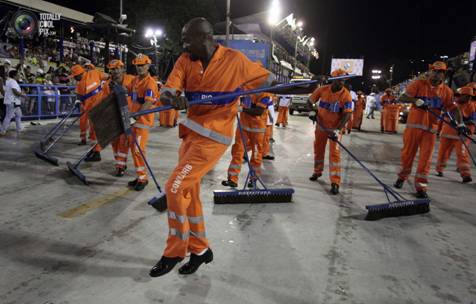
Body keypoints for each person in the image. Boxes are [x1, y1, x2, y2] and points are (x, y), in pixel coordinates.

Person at [150, 17, 275, 277]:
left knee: (174, 187)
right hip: (190, 137)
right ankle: (200, 250)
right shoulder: (186, 61)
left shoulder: (235, 60)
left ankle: (174, 251)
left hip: (213, 140)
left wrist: (309, 85)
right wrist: (172, 97)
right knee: (189, 195)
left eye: (187, 39)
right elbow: (169, 88)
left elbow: (267, 80)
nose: (183, 44)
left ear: (205, 38)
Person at [394, 61, 461, 198]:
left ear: (444, 75)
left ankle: (421, 186)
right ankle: (402, 177)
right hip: (413, 128)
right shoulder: (418, 84)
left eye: (440, 72)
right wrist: (416, 101)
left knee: (426, 159)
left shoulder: (446, 92)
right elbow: (402, 97)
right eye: (435, 71)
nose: (437, 75)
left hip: (430, 131)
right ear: (430, 71)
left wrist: (461, 125)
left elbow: (454, 109)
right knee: (407, 155)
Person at [307, 69, 353, 195]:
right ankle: (317, 171)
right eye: (339, 80)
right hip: (321, 127)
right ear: (333, 80)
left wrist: (338, 130)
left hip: (335, 130)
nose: (342, 83)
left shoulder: (346, 95)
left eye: (343, 80)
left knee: (335, 154)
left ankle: (335, 182)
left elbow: (347, 115)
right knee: (318, 149)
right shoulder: (322, 90)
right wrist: (312, 111)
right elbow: (309, 101)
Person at [222, 92, 272, 187]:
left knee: (256, 154)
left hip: (257, 130)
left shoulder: (265, 95)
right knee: (237, 151)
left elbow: (258, 111)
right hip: (243, 127)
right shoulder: (246, 90)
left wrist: (242, 109)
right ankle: (232, 179)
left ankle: (253, 179)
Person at [127, 54, 160, 191]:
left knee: (138, 150)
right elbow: (127, 89)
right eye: (137, 65)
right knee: (134, 150)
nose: (139, 68)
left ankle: (143, 178)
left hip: (142, 121)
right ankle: (140, 175)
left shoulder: (150, 82)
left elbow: (148, 102)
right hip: (133, 120)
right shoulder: (135, 81)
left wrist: (136, 116)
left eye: (142, 65)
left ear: (148, 66)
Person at [102, 59, 135, 177]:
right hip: (114, 116)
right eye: (111, 69)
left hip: (128, 115)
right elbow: (104, 101)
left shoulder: (132, 80)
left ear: (122, 69)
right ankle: (119, 162)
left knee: (124, 141)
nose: (114, 71)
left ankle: (120, 166)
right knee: (114, 142)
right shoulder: (107, 85)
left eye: (116, 68)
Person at [435, 86, 474, 183]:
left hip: (460, 135)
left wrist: (466, 126)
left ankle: (465, 174)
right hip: (447, 133)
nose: (467, 98)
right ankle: (439, 169)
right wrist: (438, 131)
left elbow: (473, 121)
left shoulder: (471, 106)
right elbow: (442, 119)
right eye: (466, 96)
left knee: (462, 154)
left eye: (469, 96)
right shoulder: (452, 105)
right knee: (443, 153)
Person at [71, 64, 107, 161]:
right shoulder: (79, 84)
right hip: (88, 109)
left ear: (79, 74)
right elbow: (78, 95)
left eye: (74, 76)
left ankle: (97, 152)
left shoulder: (95, 73)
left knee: (95, 131)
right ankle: (94, 150)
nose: (74, 78)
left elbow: (108, 77)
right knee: (92, 132)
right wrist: (77, 101)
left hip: (98, 107)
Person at [0, 70, 25, 135]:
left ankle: (19, 128)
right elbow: (15, 91)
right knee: (8, 116)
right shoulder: (13, 81)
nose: (19, 75)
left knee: (18, 114)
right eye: (18, 74)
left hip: (13, 101)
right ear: (14, 76)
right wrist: (22, 94)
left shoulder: (9, 81)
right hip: (12, 102)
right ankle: (3, 130)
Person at [263, 94, 277, 160]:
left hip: (269, 120)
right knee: (265, 138)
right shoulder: (266, 94)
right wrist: (270, 117)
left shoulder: (269, 95)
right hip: (266, 120)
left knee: (266, 138)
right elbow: (265, 107)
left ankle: (264, 153)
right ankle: (264, 153)